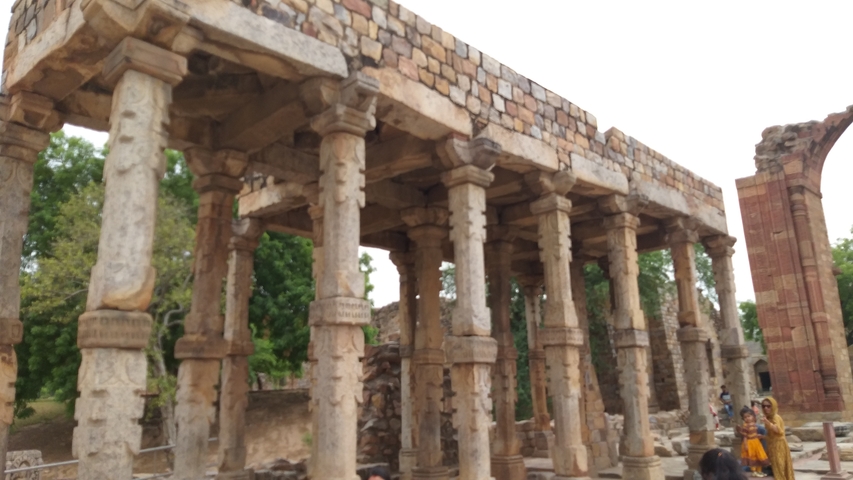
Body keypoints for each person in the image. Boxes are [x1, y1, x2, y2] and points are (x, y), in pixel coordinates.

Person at [761, 397, 795, 480]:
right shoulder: (768, 417)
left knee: (780, 468)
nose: (766, 408)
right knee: (776, 468)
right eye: (764, 406)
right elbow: (772, 435)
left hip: (779, 446)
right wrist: (763, 437)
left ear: (773, 406)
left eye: (768, 406)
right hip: (772, 445)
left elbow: (779, 431)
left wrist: (768, 423)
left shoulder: (775, 417)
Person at [735, 406, 769, 477]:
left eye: (749, 416)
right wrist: (746, 445)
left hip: (756, 442)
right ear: (743, 419)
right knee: (752, 457)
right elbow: (745, 436)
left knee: (759, 456)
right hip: (750, 443)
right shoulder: (746, 426)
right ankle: (754, 471)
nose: (747, 418)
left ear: (753, 416)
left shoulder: (755, 426)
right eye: (745, 417)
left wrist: (760, 436)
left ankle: (759, 471)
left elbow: (756, 434)